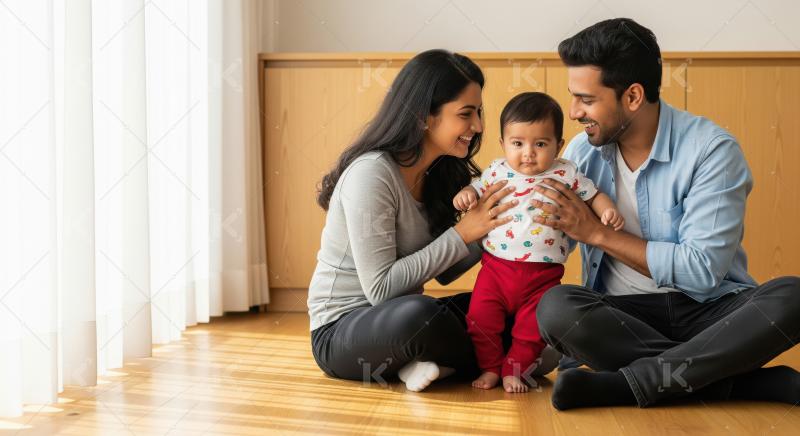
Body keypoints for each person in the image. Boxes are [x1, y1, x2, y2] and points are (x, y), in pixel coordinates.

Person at [532, 18, 800, 410]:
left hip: (710, 312)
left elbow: (702, 272)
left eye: (586, 100)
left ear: (634, 96)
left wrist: (599, 234)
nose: (573, 112)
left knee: (792, 296)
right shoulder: (581, 153)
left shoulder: (712, 151)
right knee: (556, 307)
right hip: (623, 317)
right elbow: (546, 236)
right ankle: (730, 380)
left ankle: (627, 384)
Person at [307, 49, 560, 393]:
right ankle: (505, 361)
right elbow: (380, 290)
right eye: (466, 114)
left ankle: (427, 363)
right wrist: (464, 231)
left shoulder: (439, 171)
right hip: (343, 331)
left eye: (479, 113)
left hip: (408, 316)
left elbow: (445, 271)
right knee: (420, 315)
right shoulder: (372, 174)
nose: (479, 127)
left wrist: (504, 226)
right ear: (424, 116)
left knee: (525, 312)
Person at [452, 92, 622, 392]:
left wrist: (606, 209)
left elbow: (594, 195)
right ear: (503, 144)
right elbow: (475, 188)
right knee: (480, 319)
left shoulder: (565, 172)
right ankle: (490, 367)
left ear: (558, 144)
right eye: (518, 143)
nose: (528, 153)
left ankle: (512, 371)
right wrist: (467, 194)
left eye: (540, 144)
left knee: (531, 331)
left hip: (542, 276)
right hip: (495, 271)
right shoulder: (497, 171)